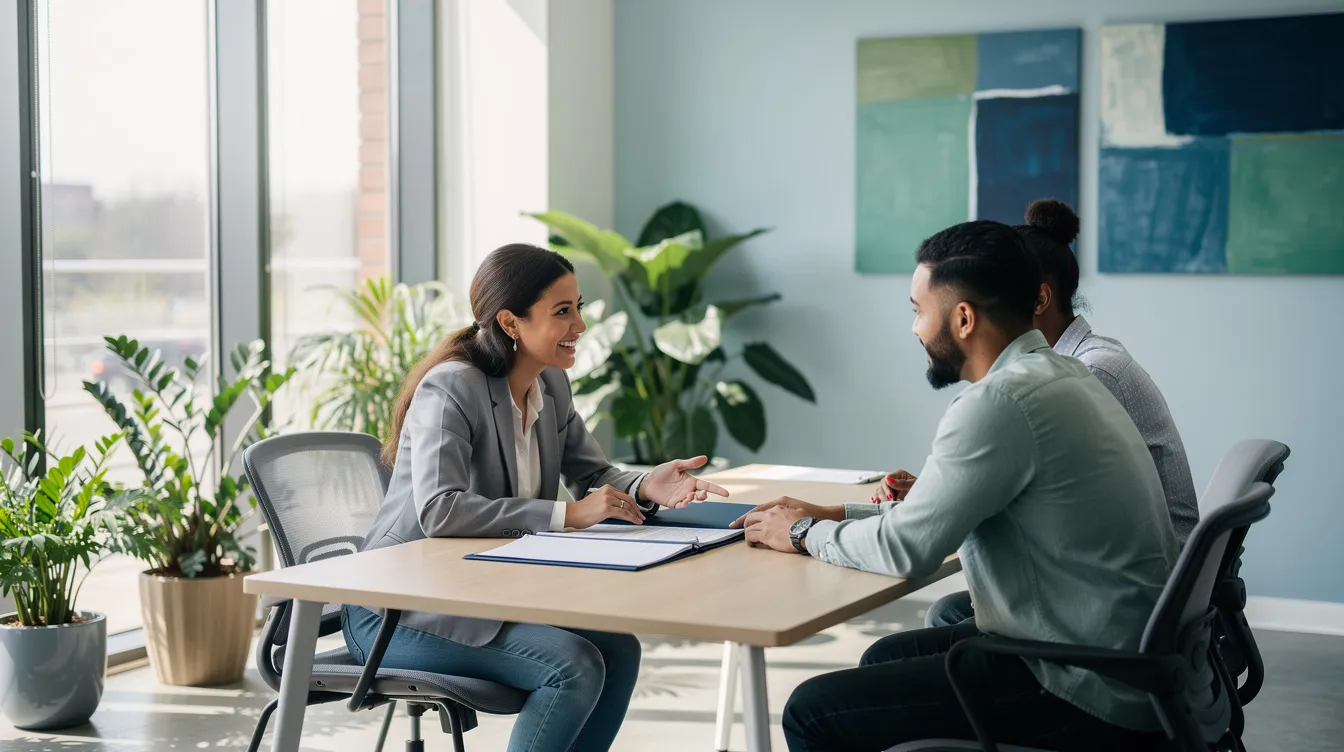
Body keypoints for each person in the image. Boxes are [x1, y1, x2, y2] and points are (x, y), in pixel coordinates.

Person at [733, 220, 1178, 752]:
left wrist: (803, 531)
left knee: (812, 711)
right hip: (1122, 662)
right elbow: (932, 513)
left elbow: (908, 549)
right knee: (884, 659)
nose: (915, 329)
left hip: (1075, 684)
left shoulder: (999, 403)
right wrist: (832, 517)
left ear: (963, 318)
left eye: (918, 311)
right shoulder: (1067, 375)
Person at [344, 243, 730, 752]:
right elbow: (440, 509)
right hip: (399, 611)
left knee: (620, 651)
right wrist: (568, 515)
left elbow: (593, 473)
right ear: (510, 322)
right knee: (572, 666)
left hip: (481, 593)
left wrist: (644, 485)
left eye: (579, 308)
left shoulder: (551, 385)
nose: (581, 326)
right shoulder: (451, 387)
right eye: (562, 312)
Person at [880, 199, 1198, 628]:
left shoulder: (1085, 371)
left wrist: (810, 530)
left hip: (1124, 604)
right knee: (947, 615)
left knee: (938, 627)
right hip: (1143, 591)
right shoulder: (1078, 363)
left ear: (1037, 297)